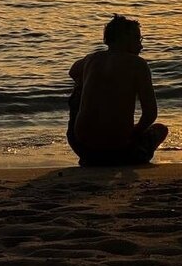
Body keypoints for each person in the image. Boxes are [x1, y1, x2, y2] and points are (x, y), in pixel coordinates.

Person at [67, 14, 168, 166]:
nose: (141, 46)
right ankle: (132, 154)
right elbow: (150, 114)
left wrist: (95, 84)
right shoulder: (138, 65)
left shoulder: (91, 59)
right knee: (160, 130)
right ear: (124, 38)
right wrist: (134, 133)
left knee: (78, 90)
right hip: (120, 149)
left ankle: (94, 151)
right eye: (137, 39)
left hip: (83, 148)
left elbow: (73, 72)